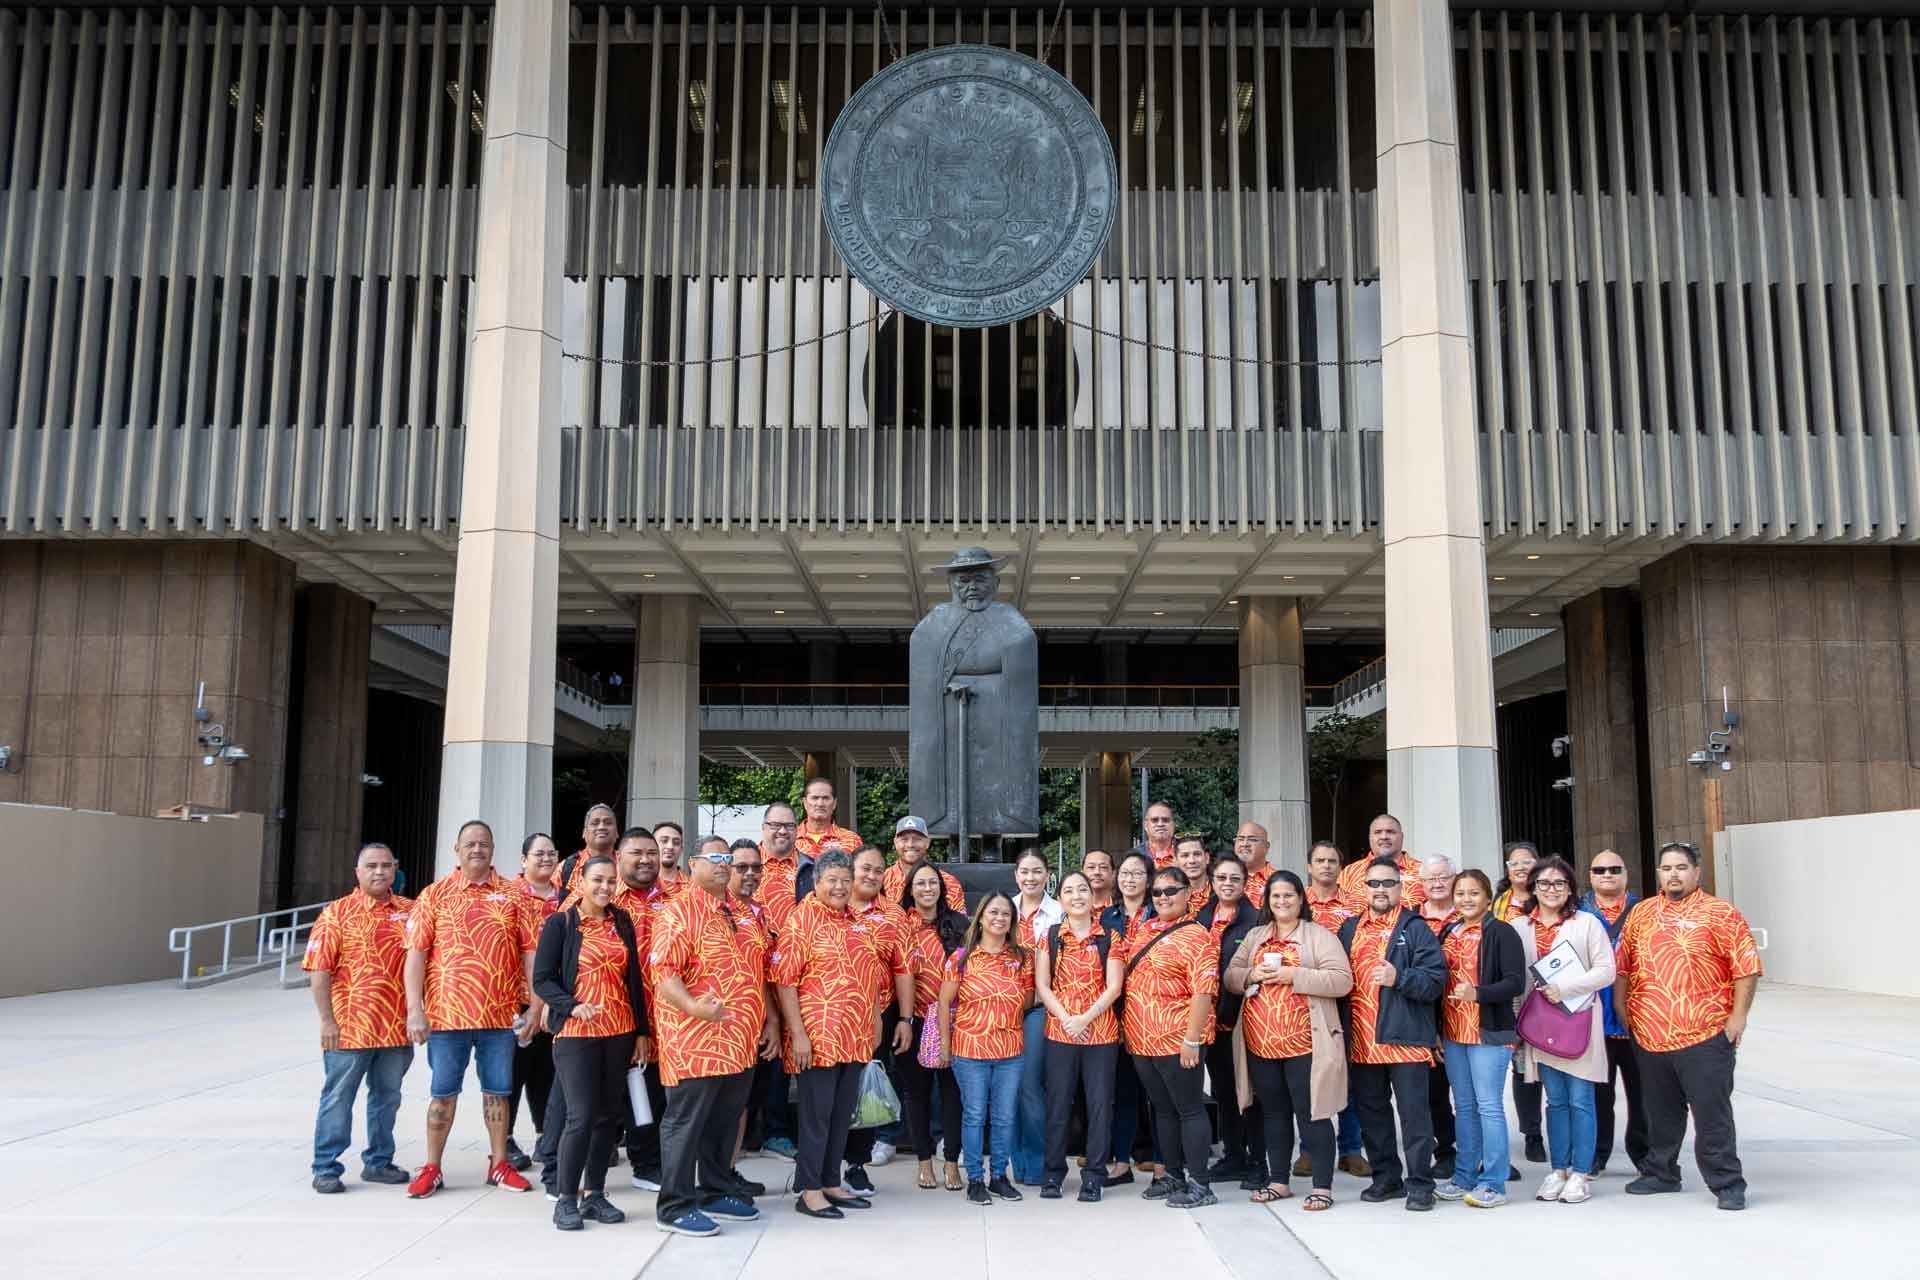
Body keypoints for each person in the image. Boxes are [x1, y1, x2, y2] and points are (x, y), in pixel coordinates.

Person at [1614, 841, 1762, 1211]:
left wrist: (1738, 1017)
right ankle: (1661, 1173)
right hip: (1650, 1032)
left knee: (1711, 1114)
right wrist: (1621, 1006)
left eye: (1681, 867)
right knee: (1660, 1113)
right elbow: (1623, 966)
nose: (1673, 875)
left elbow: (1745, 968)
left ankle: (1727, 1183)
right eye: (1666, 868)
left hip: (1705, 1032)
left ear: (1697, 872)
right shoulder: (1641, 913)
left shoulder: (1721, 914)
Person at [402, 819, 542, 1198]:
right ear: (457, 850)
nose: (477, 849)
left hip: (500, 1017)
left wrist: (535, 1006)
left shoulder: (514, 895)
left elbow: (531, 953)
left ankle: (499, 1164)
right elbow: (416, 956)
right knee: (443, 1093)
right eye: (470, 843)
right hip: (447, 1016)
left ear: (493, 849)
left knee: (498, 1092)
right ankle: (432, 1167)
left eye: (484, 843)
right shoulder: (434, 895)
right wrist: (415, 1010)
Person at [648, 838, 768, 1237]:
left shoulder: (741, 910)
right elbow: (663, 971)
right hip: (694, 1039)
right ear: (693, 863)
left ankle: (715, 1190)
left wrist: (767, 1020)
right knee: (685, 1122)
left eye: (727, 858)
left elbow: (758, 970)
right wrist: (693, 1006)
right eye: (714, 857)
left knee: (723, 1120)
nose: (723, 864)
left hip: (739, 1038)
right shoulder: (679, 911)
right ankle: (674, 1205)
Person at [531, 855, 651, 1231]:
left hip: (619, 1030)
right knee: (580, 1116)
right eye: (597, 879)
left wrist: (642, 1032)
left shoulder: (622, 921)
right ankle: (566, 1199)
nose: (604, 887)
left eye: (611, 881)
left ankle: (595, 1195)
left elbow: (634, 980)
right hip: (577, 1033)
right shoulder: (562, 923)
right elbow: (543, 979)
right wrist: (572, 1006)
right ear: (581, 882)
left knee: (606, 1118)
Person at [1223, 870, 1353, 1212]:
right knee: (1274, 1114)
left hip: (1306, 1043)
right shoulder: (1255, 936)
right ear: (1267, 901)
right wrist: (1252, 974)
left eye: (1288, 896)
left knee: (1313, 1114)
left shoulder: (1318, 935)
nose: (1281, 901)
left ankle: (1322, 1187)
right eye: (1275, 896)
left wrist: (1292, 975)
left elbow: (1342, 980)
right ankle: (1279, 1181)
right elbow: (1231, 977)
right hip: (1261, 1043)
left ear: (1300, 899)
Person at [561, 827, 672, 1193]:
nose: (646, 860)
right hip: (595, 1020)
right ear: (619, 856)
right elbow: (557, 959)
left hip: (659, 1018)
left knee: (647, 1095)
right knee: (583, 1107)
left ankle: (645, 1164)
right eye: (637, 853)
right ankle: (562, 1177)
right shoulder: (592, 899)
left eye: (651, 853)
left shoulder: (677, 897)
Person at [304, 843, 416, 1194]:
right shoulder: (336, 914)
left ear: (395, 869)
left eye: (386, 865)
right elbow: (319, 971)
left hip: (396, 1029)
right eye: (371, 866)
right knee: (338, 1098)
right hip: (350, 1030)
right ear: (358, 872)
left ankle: (379, 1162)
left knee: (387, 1099)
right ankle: (326, 1167)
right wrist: (327, 1021)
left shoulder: (411, 912)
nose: (379, 872)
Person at [1335, 855, 1446, 1211]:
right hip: (1362, 1041)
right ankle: (1386, 1179)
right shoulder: (1349, 929)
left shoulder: (1416, 929)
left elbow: (1435, 981)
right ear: (1363, 888)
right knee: (1372, 1115)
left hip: (1405, 1039)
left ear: (1400, 888)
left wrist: (1400, 978)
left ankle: (1421, 1185)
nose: (1380, 889)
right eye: (1374, 883)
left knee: (1414, 1118)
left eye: (1387, 883)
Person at [771, 850, 876, 1219]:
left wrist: (874, 1022)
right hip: (818, 1036)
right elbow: (784, 981)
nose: (840, 887)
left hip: (854, 1034)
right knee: (816, 1116)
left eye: (846, 880)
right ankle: (810, 1189)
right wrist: (798, 1035)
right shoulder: (801, 920)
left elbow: (868, 975)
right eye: (832, 880)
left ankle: (831, 1180)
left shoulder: (855, 921)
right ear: (816, 883)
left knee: (841, 1114)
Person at [1512, 855, 1616, 1205]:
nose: (1551, 889)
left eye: (1559, 883)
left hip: (1578, 1020)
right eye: (1544, 883)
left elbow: (1606, 970)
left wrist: (1566, 988)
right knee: (1555, 1101)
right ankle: (1558, 1170)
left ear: (1570, 888)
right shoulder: (1520, 926)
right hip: (1539, 1025)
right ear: (1533, 888)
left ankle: (1581, 1173)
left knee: (1581, 1100)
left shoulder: (1587, 923)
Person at [1123, 867, 1220, 1209]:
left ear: (1187, 893)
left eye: (1170, 891)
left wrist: (1193, 1039)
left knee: (1189, 1109)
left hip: (1178, 1037)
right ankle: (1173, 1175)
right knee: (1162, 1109)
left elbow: (1203, 991)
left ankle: (1200, 1183)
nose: (1163, 898)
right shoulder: (1146, 929)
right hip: (1142, 1038)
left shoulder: (1198, 936)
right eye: (1157, 892)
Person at [1433, 868, 1526, 1208]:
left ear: (1488, 896)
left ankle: (1494, 1182)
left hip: (1488, 1033)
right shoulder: (1449, 931)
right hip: (1454, 1032)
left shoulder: (1502, 932)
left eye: (1474, 893)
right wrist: (1437, 1029)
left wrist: (1478, 993)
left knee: (1488, 1106)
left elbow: (1515, 982)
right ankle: (1464, 1176)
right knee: (1465, 1106)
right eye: (1460, 893)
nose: (1466, 899)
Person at [939, 891, 1036, 1204]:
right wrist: (945, 1045)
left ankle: (998, 1177)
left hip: (1010, 1051)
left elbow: (1027, 1001)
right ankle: (975, 1179)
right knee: (975, 1115)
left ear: (1012, 921)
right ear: (980, 917)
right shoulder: (962, 957)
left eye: (1006, 913)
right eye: (993, 912)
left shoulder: (1022, 959)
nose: (999, 918)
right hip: (970, 1051)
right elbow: (944, 1003)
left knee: (1005, 1117)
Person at [1033, 870, 1125, 1202]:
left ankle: (1094, 1176)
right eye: (1069, 891)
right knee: (1058, 1105)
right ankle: (1053, 1174)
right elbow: (1042, 984)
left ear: (1092, 895)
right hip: (1060, 1033)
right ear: (1060, 899)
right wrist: (1067, 1019)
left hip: (1100, 1034)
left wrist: (1085, 1018)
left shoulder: (1110, 937)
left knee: (1099, 1106)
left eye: (1082, 889)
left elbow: (1114, 986)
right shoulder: (1051, 936)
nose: (1077, 896)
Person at [841, 845, 918, 1194]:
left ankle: (856, 1164)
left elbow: (903, 969)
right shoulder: (829, 905)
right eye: (865, 869)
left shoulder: (893, 914)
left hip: (878, 1016)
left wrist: (905, 1019)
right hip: (830, 1014)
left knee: (865, 1088)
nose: (871, 876)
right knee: (828, 1089)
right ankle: (819, 1168)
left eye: (877, 870)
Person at [898, 860, 969, 1192]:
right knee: (916, 1094)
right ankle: (924, 1161)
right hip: (912, 1020)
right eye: (920, 883)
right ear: (910, 890)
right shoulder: (899, 924)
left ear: (941, 888)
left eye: (933, 883)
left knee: (953, 1093)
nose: (927, 889)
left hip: (953, 1021)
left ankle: (951, 1162)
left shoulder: (959, 924)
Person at [1299, 839, 1368, 1182]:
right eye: (1320, 861)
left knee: (1347, 1072)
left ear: (1341, 868)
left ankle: (1351, 1149)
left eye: (1332, 861)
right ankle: (1310, 1150)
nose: (1326, 866)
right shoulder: (1297, 902)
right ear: (1309, 867)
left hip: (1346, 997)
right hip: (1306, 998)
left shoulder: (1356, 904)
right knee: (1310, 1073)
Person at [1581, 848, 1647, 1176]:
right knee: (1597, 1095)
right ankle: (1597, 1153)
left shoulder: (1645, 912)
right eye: (1600, 870)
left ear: (1626, 874)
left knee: (1644, 1095)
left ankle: (1644, 1154)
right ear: (1590, 876)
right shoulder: (1578, 913)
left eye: (1614, 869)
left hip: (1637, 1021)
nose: (1607, 875)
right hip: (1593, 1021)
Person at [1198, 855, 1263, 1189]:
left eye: (1234, 878)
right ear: (1212, 881)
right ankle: (1234, 1155)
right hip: (1210, 1022)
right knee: (1223, 1091)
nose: (1227, 884)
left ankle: (1258, 1161)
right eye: (1221, 878)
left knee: (1250, 1093)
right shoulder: (1201, 916)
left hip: (1243, 1021)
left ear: (1245, 883)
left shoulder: (1256, 920)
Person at [724, 837, 778, 1196]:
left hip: (752, 1024)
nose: (749, 874)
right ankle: (712, 1178)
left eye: (755, 868)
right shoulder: (716, 910)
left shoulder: (758, 912)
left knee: (740, 1103)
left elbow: (761, 974)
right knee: (720, 1105)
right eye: (740, 867)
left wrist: (772, 1021)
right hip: (718, 1026)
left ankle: (728, 1171)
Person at [507, 834, 563, 1172]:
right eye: (538, 853)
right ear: (523, 859)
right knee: (513, 1072)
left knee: (549, 1071)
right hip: (517, 999)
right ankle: (505, 1139)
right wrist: (532, 1004)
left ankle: (547, 1137)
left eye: (550, 853)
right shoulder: (509, 896)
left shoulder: (567, 897)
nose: (545, 858)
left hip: (558, 999)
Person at [1099, 851, 1156, 1184]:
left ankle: (1162, 1163)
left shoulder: (1160, 913)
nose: (1129, 879)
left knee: (1158, 1096)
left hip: (1156, 1015)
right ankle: (1122, 1162)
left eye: (1137, 873)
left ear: (1149, 880)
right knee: (1123, 1091)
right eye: (1124, 873)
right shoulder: (1107, 917)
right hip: (1118, 1014)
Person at [753, 803, 803, 1162]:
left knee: (786, 1053)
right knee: (757, 1054)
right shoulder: (748, 863)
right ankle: (748, 1132)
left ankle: (777, 1131)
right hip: (753, 973)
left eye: (788, 825)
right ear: (764, 827)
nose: (781, 831)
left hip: (798, 974)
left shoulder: (808, 867)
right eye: (774, 825)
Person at [1010, 849, 1063, 1186]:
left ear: (1047, 875)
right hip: (1004, 1008)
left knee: (1029, 1083)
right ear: (1016, 875)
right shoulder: (1003, 907)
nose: (1030, 878)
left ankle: (1041, 1161)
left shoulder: (1059, 912)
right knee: (1010, 1088)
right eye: (1024, 872)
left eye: (1037, 871)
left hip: (1041, 1007)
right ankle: (1018, 1165)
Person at [1493, 842, 1545, 1165]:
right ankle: (1532, 1132)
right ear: (1507, 870)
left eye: (1528, 861)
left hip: (1550, 993)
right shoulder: (1497, 905)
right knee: (1523, 1065)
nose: (1522, 867)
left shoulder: (1550, 898)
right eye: (1515, 863)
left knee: (1552, 1062)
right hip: (1513, 994)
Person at [1415, 855, 1460, 1181]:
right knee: (1435, 1094)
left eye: (1443, 877)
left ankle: (1484, 1153)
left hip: (1470, 1016)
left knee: (1477, 1096)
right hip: (1428, 1017)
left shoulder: (1471, 912)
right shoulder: (1412, 920)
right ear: (1421, 883)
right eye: (1431, 879)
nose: (1438, 883)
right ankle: (1446, 1151)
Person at [1336, 815, 1426, 911]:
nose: (1384, 837)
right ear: (1370, 837)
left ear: (1402, 837)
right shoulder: (1349, 872)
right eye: (1378, 832)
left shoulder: (1424, 871)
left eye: (1390, 832)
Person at [879, 815, 965, 910]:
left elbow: (957, 918)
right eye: (904, 839)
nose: (910, 844)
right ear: (895, 843)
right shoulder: (881, 881)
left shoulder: (949, 883)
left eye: (917, 839)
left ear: (927, 842)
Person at [794, 776, 861, 860]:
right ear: (805, 803)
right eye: (815, 798)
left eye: (826, 798)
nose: (820, 804)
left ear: (834, 803)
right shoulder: (790, 838)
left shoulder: (851, 840)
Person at [559, 804, 620, 892]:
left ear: (617, 832)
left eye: (608, 823)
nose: (601, 827)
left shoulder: (627, 865)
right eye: (595, 823)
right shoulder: (565, 868)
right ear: (584, 832)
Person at [1231, 822, 1275, 911]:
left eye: (1252, 839)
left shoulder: (1278, 881)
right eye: (1240, 839)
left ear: (1266, 847)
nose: (1245, 844)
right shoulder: (1223, 879)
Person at [1174, 837, 1213, 918]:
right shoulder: (1169, 894)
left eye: (1197, 854)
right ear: (1176, 861)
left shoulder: (1221, 891)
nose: (1192, 861)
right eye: (1185, 855)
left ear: (1207, 858)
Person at [1135, 800, 1178, 869]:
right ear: (1145, 825)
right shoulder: (1135, 856)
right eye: (1154, 820)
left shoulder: (1187, 853)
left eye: (1165, 820)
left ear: (1173, 824)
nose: (1160, 824)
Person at [654, 820, 686, 891]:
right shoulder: (640, 884)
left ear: (681, 849)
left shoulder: (693, 887)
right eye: (664, 841)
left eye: (676, 842)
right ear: (652, 846)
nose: (670, 846)